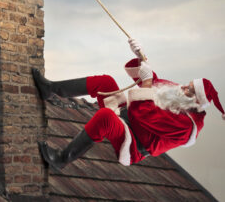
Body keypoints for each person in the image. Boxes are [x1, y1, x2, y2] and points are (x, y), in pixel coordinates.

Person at [33, 39, 225, 171]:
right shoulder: (179, 93)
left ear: (196, 103)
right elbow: (152, 81)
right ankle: (49, 89)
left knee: (105, 118)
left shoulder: (186, 127)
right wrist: (141, 58)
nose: (184, 88)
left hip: (133, 141)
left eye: (190, 91)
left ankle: (61, 159)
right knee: (105, 82)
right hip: (130, 116)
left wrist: (147, 80)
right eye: (189, 85)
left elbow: (145, 114)